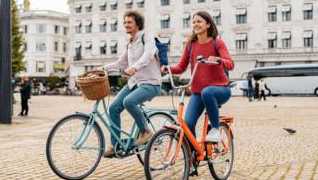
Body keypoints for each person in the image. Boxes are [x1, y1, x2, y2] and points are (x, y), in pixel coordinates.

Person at [161, 11, 234, 142]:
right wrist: (168, 69)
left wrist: (219, 60)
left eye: (199, 21)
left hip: (220, 89)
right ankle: (192, 157)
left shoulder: (217, 43)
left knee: (207, 92)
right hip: (198, 93)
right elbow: (181, 67)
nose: (195, 24)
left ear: (208, 25)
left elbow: (230, 64)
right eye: (194, 22)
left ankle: (215, 130)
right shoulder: (190, 45)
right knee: (187, 125)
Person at [99, 10, 162, 157]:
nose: (126, 25)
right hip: (134, 83)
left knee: (129, 102)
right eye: (125, 22)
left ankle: (145, 131)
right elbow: (121, 63)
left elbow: (149, 54)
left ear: (137, 24)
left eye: (129, 22)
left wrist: (134, 67)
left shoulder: (147, 37)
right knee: (113, 108)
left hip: (151, 83)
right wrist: (102, 69)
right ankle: (115, 146)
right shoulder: (129, 44)